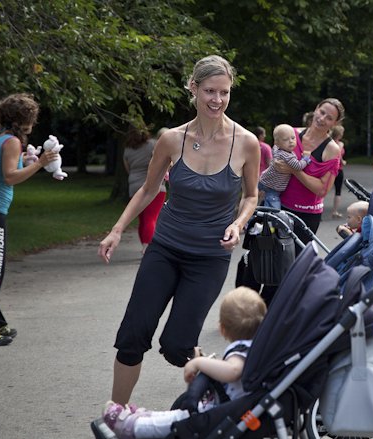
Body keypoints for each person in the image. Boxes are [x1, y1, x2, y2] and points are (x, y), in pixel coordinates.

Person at [98, 55, 260, 405]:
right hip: (165, 249)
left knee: (177, 346)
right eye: (209, 91)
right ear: (193, 89)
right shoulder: (172, 140)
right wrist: (116, 230)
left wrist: (238, 222)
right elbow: (148, 189)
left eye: (224, 92)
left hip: (209, 258)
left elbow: (251, 196)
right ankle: (117, 414)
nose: (217, 100)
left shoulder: (246, 142)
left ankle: (215, 392)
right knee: (132, 336)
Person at [98, 287, 266, 439]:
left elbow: (234, 370)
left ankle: (133, 427)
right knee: (175, 416)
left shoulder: (240, 350)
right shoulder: (261, 346)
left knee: (178, 420)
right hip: (232, 406)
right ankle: (143, 417)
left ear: (222, 329)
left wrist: (200, 362)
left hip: (219, 409)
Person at [0, 93, 59, 347]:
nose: (34, 122)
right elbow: (9, 177)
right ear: (23, 120)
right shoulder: (11, 142)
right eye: (31, 117)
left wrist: (28, 161)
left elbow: (7, 169)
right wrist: (40, 163)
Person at [275, 98, 344, 241]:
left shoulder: (331, 149)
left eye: (329, 118)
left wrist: (294, 170)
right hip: (276, 205)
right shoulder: (291, 134)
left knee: (294, 262)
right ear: (316, 109)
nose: (322, 118)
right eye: (322, 112)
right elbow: (274, 163)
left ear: (335, 123)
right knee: (262, 258)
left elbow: (322, 190)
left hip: (305, 215)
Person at [123, 125, 167, 255]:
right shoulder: (153, 144)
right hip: (154, 186)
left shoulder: (127, 150)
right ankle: (147, 246)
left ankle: (144, 244)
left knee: (142, 219)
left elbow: (128, 169)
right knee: (151, 218)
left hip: (134, 185)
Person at [258, 124, 311, 210]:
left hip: (264, 179)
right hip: (274, 187)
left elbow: (274, 148)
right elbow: (298, 166)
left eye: (293, 138)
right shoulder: (287, 156)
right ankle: (269, 219)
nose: (291, 141)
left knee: (257, 199)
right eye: (286, 139)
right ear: (277, 142)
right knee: (274, 209)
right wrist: (306, 158)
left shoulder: (276, 149)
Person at [330, 125, 347, 218]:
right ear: (340, 134)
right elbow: (339, 154)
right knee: (338, 191)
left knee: (323, 191)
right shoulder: (340, 144)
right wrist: (342, 161)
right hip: (338, 169)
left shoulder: (328, 142)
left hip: (328, 170)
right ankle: (335, 211)